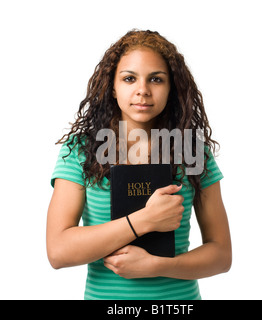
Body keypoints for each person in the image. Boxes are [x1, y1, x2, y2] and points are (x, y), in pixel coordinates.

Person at [47, 29, 232, 300]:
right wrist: (144, 220)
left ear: (171, 88)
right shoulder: (81, 151)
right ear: (112, 86)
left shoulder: (192, 152)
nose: (142, 90)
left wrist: (157, 266)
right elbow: (58, 251)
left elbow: (221, 255)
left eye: (156, 79)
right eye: (129, 78)